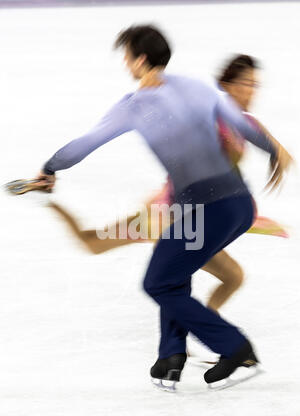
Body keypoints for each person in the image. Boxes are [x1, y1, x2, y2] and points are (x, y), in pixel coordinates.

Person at [37, 25, 291, 389]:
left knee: (159, 283)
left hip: (206, 210)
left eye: (127, 57)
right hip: (236, 206)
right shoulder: (198, 87)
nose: (126, 64)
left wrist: (49, 169)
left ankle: (236, 348)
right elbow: (240, 123)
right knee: (177, 269)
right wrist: (272, 151)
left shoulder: (134, 106)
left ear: (140, 60)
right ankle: (171, 355)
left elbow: (82, 146)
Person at [49, 54, 288, 320]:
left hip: (206, 212)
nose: (250, 91)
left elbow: (260, 142)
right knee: (94, 243)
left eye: (255, 85)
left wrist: (276, 151)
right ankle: (48, 202)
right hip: (171, 212)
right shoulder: (203, 113)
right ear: (225, 85)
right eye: (245, 83)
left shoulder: (246, 124)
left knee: (232, 277)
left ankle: (205, 325)